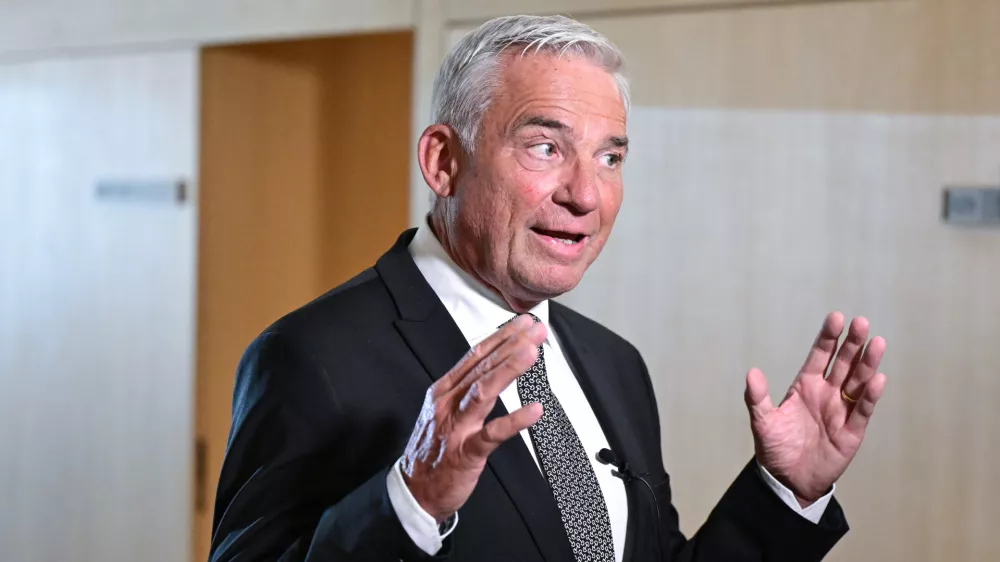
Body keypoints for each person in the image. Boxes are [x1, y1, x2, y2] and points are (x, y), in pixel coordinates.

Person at [209, 14, 888, 562]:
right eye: (545, 147)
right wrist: (410, 505)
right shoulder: (310, 355)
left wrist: (787, 492)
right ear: (444, 161)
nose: (586, 195)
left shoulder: (614, 364)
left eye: (610, 156)